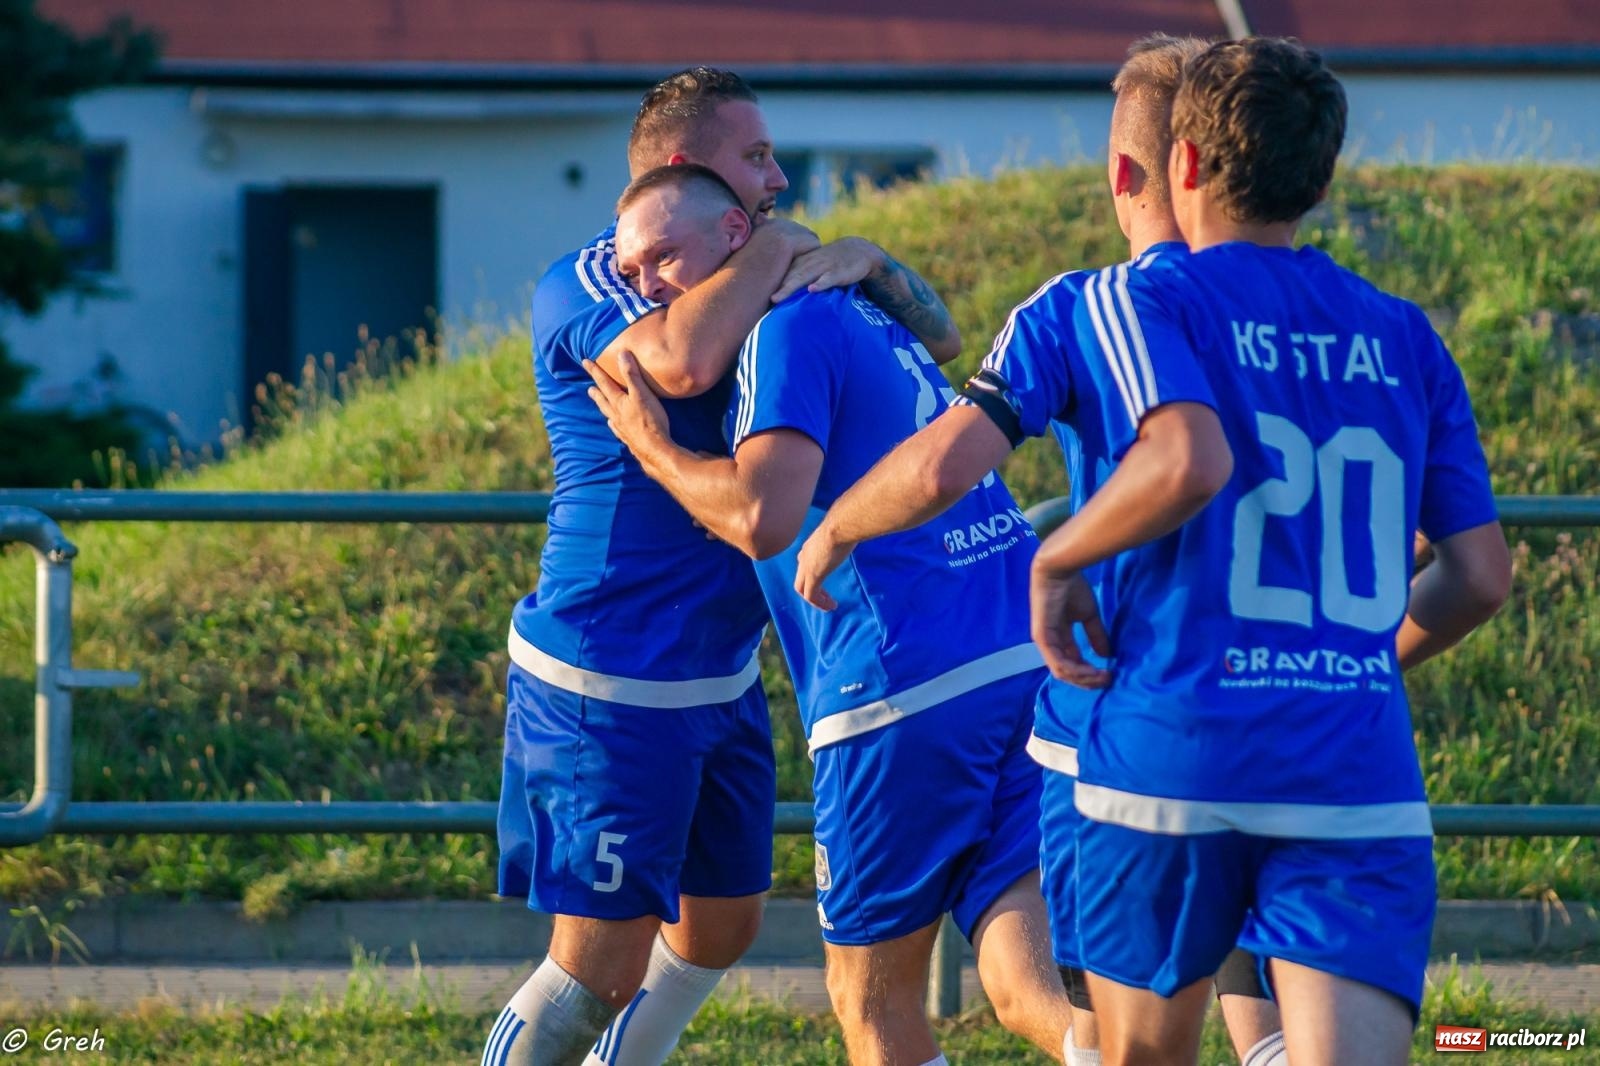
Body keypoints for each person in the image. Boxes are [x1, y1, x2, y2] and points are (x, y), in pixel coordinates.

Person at [791, 33, 1287, 1066]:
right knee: (1280, 1022)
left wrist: (835, 523)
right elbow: (1449, 553)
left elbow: (938, 469)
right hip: (1296, 710)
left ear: (1126, 172)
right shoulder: (1336, 317)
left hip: (1126, 721)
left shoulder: (1084, 309)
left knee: (1125, 1037)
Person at [1023, 38, 1510, 1066]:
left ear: (1182, 165)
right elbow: (1478, 574)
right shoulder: (1405, 333)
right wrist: (1359, 656)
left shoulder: (1148, 300)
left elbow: (1182, 461)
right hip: (1348, 758)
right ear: (1322, 180)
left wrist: (1054, 558)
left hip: (1178, 743)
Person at [486, 67, 961, 1066]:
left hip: (716, 669)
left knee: (721, 924)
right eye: (753, 157)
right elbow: (681, 365)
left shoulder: (743, 266)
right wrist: (786, 248)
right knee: (593, 965)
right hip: (608, 668)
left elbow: (940, 336)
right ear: (679, 168)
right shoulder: (592, 277)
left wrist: (867, 260)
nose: (776, 177)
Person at [585, 163, 1071, 1066]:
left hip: (898, 687)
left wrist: (651, 446)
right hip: (1018, 657)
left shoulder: (781, 326)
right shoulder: (861, 300)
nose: (644, 286)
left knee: (870, 998)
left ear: (737, 236)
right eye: (630, 272)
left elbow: (761, 517)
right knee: (1022, 979)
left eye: (662, 257)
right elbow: (950, 339)